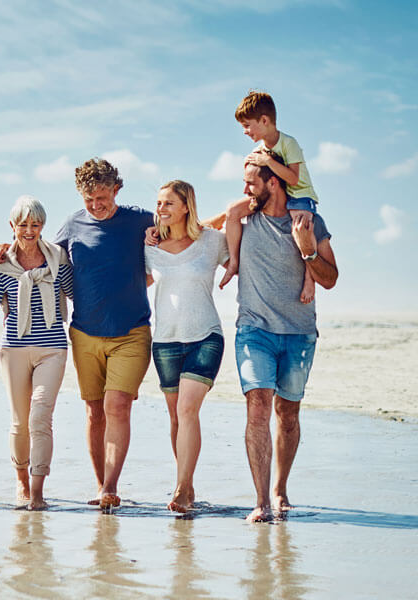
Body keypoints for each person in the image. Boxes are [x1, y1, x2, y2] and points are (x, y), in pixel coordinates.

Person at [0, 158, 154, 510]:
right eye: (88, 199)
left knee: (117, 405)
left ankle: (110, 486)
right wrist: (2, 252)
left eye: (102, 197)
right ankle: (100, 485)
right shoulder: (72, 226)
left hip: (132, 331)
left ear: (117, 190)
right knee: (94, 411)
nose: (96, 205)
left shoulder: (140, 220)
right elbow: (36, 252)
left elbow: (183, 228)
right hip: (84, 333)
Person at [231, 155, 338, 522]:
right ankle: (260, 501)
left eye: (251, 183)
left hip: (299, 334)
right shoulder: (243, 218)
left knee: (287, 414)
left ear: (273, 182)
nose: (246, 190)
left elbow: (330, 277)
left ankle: (280, 489)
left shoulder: (309, 222)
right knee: (258, 404)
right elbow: (196, 227)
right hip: (254, 330)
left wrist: (306, 247)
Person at [0, 196, 73, 510]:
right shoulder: (2, 264)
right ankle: (20, 482)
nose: (30, 230)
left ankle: (37, 490)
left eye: (35, 225)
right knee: (20, 421)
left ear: (43, 226)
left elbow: (81, 295)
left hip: (52, 349)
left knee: (40, 417)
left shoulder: (58, 258)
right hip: (14, 350)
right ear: (12, 226)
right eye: (23, 225)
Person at [145, 180, 229, 513]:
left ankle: (180, 488)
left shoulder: (211, 242)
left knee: (187, 410)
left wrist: (225, 215)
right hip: (165, 341)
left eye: (168, 203)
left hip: (205, 336)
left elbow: (241, 249)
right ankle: (188, 486)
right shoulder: (149, 246)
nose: (161, 209)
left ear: (185, 207)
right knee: (176, 419)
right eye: (159, 203)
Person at [220, 90, 320, 304]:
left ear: (264, 120)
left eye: (247, 125)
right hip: (275, 193)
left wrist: (268, 162)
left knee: (301, 230)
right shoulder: (261, 149)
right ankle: (235, 261)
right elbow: (259, 173)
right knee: (233, 211)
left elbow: (293, 179)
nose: (245, 132)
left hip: (300, 196)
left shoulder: (288, 143)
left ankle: (309, 279)